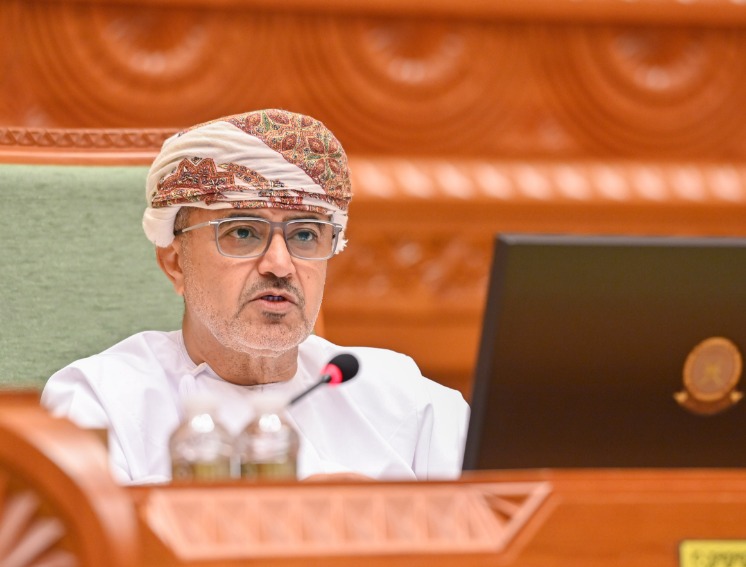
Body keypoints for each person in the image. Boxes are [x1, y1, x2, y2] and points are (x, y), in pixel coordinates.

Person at [41, 109, 469, 484]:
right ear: (175, 263)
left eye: (305, 235)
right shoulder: (100, 402)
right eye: (243, 232)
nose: (280, 265)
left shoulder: (402, 398)